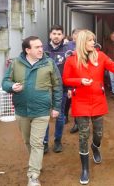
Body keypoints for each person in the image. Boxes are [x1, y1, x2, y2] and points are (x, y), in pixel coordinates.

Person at [62, 30, 114, 185]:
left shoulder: (100, 56)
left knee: (98, 134)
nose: (93, 43)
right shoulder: (72, 60)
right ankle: (85, 169)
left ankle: (95, 147)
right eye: (90, 41)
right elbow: (66, 79)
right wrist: (80, 81)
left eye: (93, 40)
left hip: (98, 101)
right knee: (83, 136)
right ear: (82, 42)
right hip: (80, 101)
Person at [2, 36, 62, 186]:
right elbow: (5, 82)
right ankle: (36, 162)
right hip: (21, 110)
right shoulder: (16, 63)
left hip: (41, 110)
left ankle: (33, 175)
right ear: (27, 50)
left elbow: (57, 86)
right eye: (37, 47)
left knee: (37, 143)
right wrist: (11, 86)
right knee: (27, 141)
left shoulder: (49, 63)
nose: (41, 49)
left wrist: (56, 107)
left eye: (41, 46)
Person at [43, 25, 69, 154]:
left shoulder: (67, 51)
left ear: (63, 36)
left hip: (61, 89)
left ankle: (58, 140)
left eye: (59, 34)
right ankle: (45, 142)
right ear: (50, 35)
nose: (56, 36)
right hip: (44, 89)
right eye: (54, 33)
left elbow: (71, 70)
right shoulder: (42, 50)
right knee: (44, 117)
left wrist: (69, 87)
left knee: (60, 116)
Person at [65, 28, 83, 134]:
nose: (76, 36)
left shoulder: (84, 45)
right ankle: (65, 115)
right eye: (75, 34)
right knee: (67, 99)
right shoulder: (67, 46)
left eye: (79, 34)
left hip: (79, 75)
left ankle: (77, 123)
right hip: (69, 75)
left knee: (76, 101)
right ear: (72, 35)